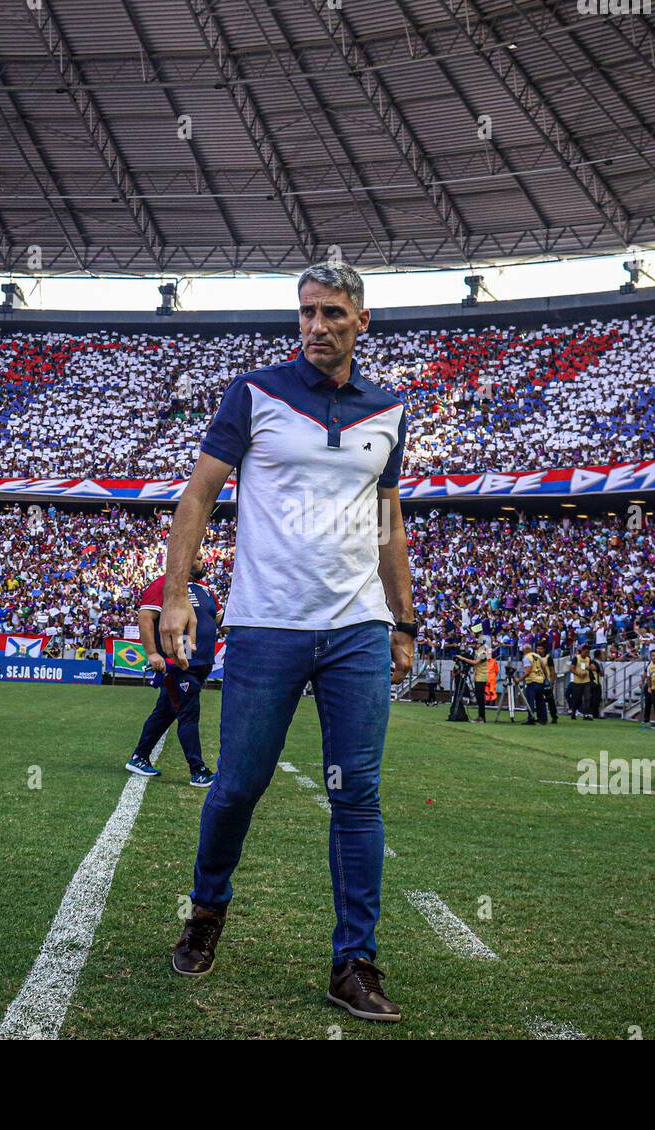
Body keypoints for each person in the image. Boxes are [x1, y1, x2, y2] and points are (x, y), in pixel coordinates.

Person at [158, 262, 415, 1024]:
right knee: (238, 786)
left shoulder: (390, 410)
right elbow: (198, 493)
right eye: (307, 312)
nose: (317, 326)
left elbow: (389, 522)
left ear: (361, 321)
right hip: (266, 624)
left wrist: (403, 619)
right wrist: (177, 594)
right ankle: (206, 914)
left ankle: (355, 963)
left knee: (357, 796)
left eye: (333, 312)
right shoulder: (255, 392)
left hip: (357, 629)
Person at [124, 548, 222, 788]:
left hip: (201, 665)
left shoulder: (206, 590)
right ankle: (198, 770)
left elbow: (221, 621)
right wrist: (152, 653)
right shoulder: (165, 585)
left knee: (165, 712)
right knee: (189, 713)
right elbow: (146, 618)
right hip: (179, 664)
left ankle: (139, 757)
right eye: (198, 558)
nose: (202, 562)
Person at [567, 645, 591, 719]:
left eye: (588, 652)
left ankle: (586, 714)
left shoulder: (588, 659)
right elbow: (571, 668)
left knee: (587, 697)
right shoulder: (576, 658)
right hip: (577, 682)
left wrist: (590, 668)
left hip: (586, 681)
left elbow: (590, 667)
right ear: (582, 651)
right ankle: (573, 712)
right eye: (586, 652)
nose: (587, 653)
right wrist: (578, 674)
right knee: (577, 699)